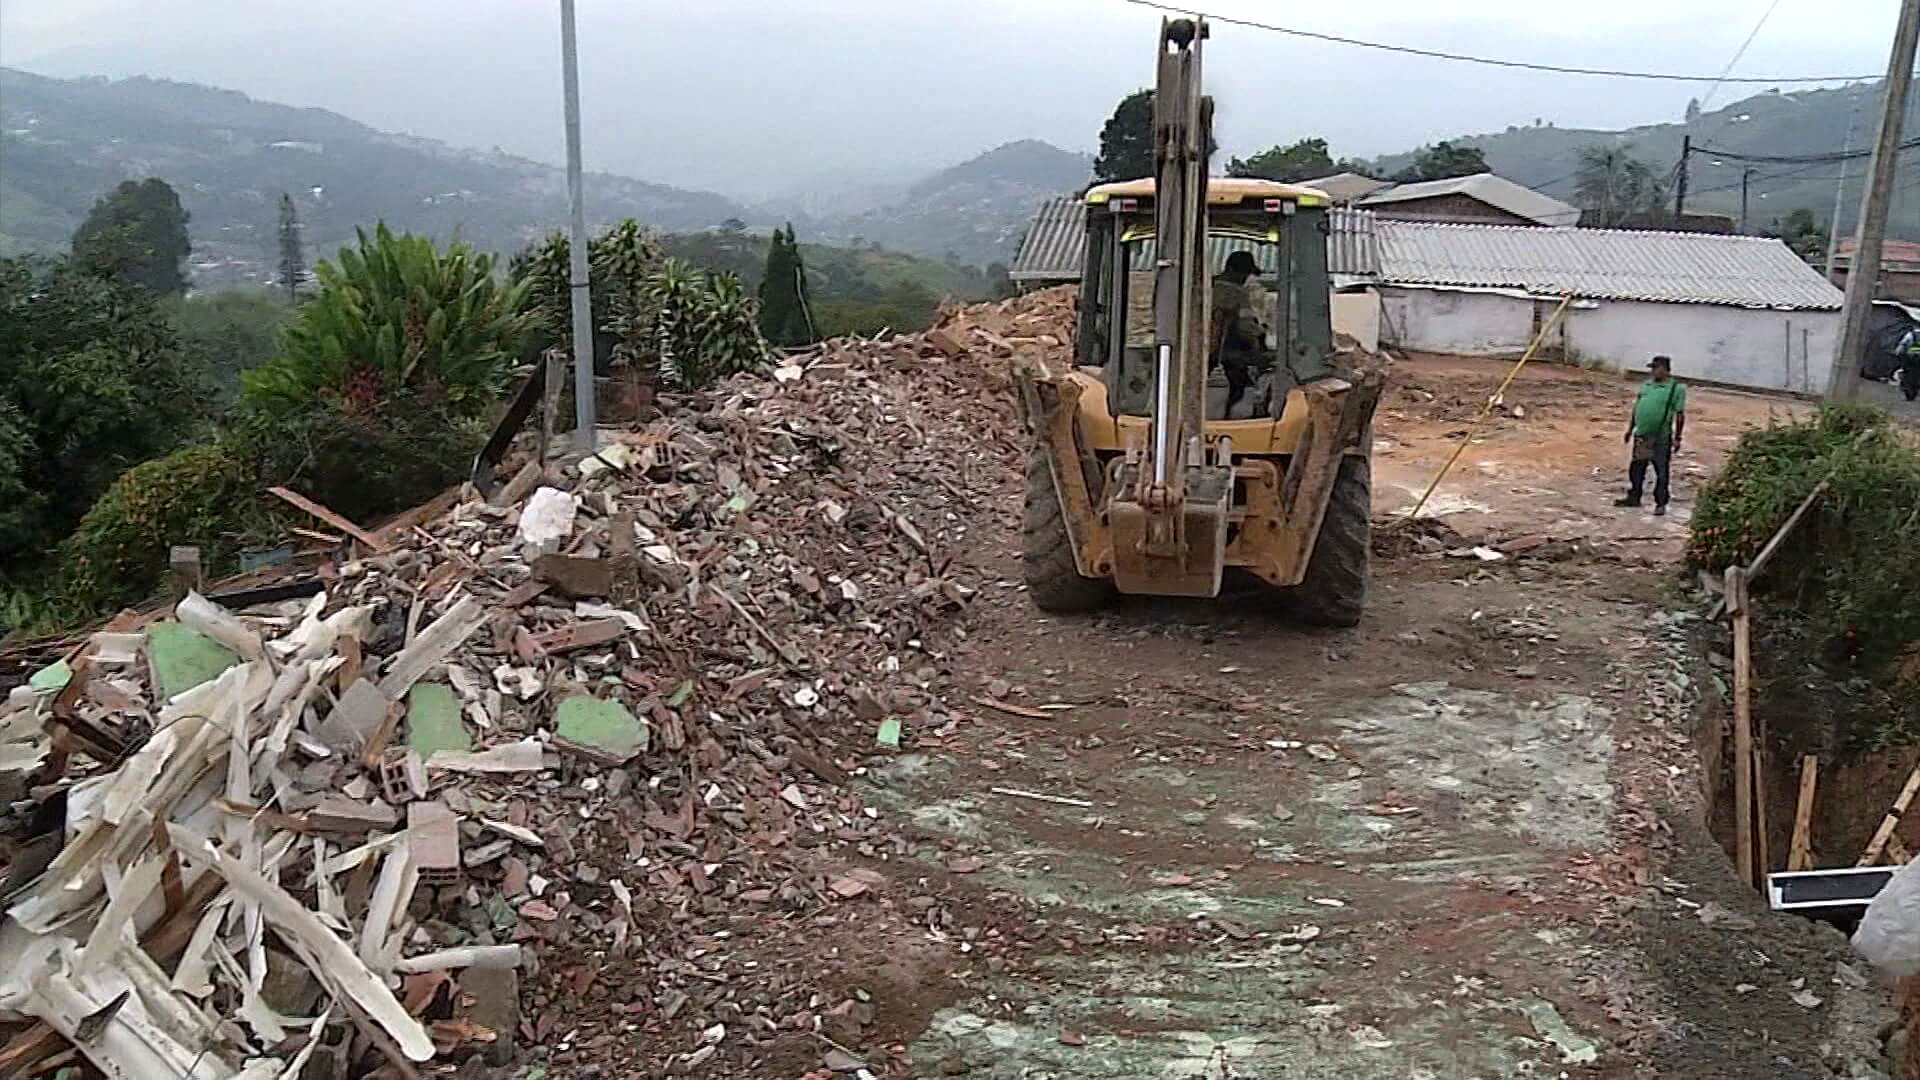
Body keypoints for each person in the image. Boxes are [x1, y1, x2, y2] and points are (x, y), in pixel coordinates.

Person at [1616, 354, 1687, 515]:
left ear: (1666, 370)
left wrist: (1677, 438)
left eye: (1656, 368)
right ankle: (1634, 497)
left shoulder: (1675, 389)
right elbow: (1637, 408)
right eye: (1652, 368)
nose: (1653, 372)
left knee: (1661, 471)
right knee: (1637, 468)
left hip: (1661, 437)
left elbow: (1680, 414)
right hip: (1642, 435)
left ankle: (1660, 503)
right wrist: (1630, 429)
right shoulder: (1646, 385)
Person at [1211, 250, 1268, 405]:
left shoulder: (1205, 286)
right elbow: (1245, 327)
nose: (1245, 279)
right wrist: (1261, 332)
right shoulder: (1236, 292)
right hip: (1225, 356)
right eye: (1244, 274)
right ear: (1232, 270)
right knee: (1241, 390)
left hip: (1197, 354)